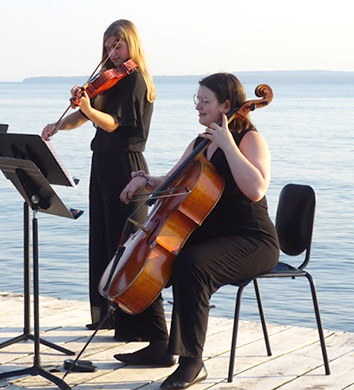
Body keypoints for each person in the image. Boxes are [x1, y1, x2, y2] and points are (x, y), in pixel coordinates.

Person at [115, 72, 279, 389]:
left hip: (253, 240)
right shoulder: (199, 143)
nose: (198, 108)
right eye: (197, 100)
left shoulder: (250, 140)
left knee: (193, 264)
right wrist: (146, 181)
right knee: (161, 254)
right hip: (215, 235)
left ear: (226, 105)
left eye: (205, 102)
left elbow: (256, 188)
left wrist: (229, 146)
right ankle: (160, 343)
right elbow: (174, 182)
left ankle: (193, 362)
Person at [41, 19, 158, 337]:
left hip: (126, 165)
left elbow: (113, 124)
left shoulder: (136, 81)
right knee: (103, 239)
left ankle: (133, 321)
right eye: (108, 46)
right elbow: (83, 116)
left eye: (117, 45)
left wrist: (89, 110)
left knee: (126, 243)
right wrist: (58, 126)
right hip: (103, 164)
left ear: (131, 44)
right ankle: (106, 315)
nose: (112, 52)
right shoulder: (106, 79)